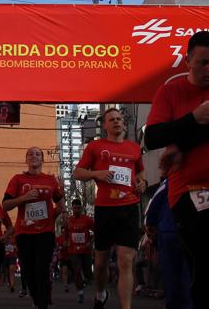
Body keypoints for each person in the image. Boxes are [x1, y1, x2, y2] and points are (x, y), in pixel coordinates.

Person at [143, 30, 209, 309]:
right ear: (188, 60)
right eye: (204, 62)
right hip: (186, 192)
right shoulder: (169, 91)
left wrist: (180, 144)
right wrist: (193, 117)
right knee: (200, 271)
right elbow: (152, 137)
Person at [74, 107, 146, 309]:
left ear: (124, 123)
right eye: (112, 119)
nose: (116, 121)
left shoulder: (133, 148)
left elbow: (140, 173)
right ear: (104, 125)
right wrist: (96, 174)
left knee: (126, 261)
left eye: (119, 119)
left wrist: (143, 183)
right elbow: (77, 173)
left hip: (129, 207)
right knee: (101, 263)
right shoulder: (95, 146)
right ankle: (100, 292)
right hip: (105, 209)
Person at [3, 147, 64, 309]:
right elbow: (6, 205)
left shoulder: (50, 180)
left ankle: (42, 304)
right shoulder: (18, 179)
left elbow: (60, 205)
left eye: (37, 154)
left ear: (42, 159)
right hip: (24, 233)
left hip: (46, 232)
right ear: (26, 160)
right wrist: (24, 197)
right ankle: (38, 300)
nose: (34, 156)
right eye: (30, 154)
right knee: (28, 270)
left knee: (42, 268)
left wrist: (57, 212)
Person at [146, 150, 193, 309]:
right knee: (188, 273)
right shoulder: (193, 178)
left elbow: (153, 207)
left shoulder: (168, 182)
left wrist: (151, 226)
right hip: (191, 231)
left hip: (168, 230)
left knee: (171, 274)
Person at [63, 198, 94, 303]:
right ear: (72, 208)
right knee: (76, 270)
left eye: (78, 208)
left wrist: (90, 242)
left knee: (87, 272)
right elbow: (66, 233)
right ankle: (80, 292)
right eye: (74, 208)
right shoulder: (68, 220)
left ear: (81, 208)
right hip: (74, 251)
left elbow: (96, 231)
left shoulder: (87, 220)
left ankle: (85, 280)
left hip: (86, 250)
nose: (76, 210)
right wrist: (66, 242)